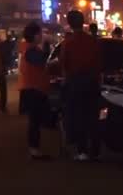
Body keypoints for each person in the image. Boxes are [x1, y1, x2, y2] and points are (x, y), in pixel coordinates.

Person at [60, 10, 102, 161]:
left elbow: (64, 64)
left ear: (70, 24)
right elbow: (98, 63)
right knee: (92, 116)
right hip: (91, 82)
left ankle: (82, 150)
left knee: (78, 117)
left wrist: (66, 80)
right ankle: (95, 149)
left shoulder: (68, 43)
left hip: (75, 82)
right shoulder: (92, 41)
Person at [18, 22, 52, 159]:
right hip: (32, 89)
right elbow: (42, 61)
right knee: (34, 121)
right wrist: (47, 46)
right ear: (35, 35)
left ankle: (35, 149)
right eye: (40, 33)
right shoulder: (30, 50)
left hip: (33, 88)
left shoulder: (29, 48)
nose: (42, 36)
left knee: (36, 121)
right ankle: (34, 150)